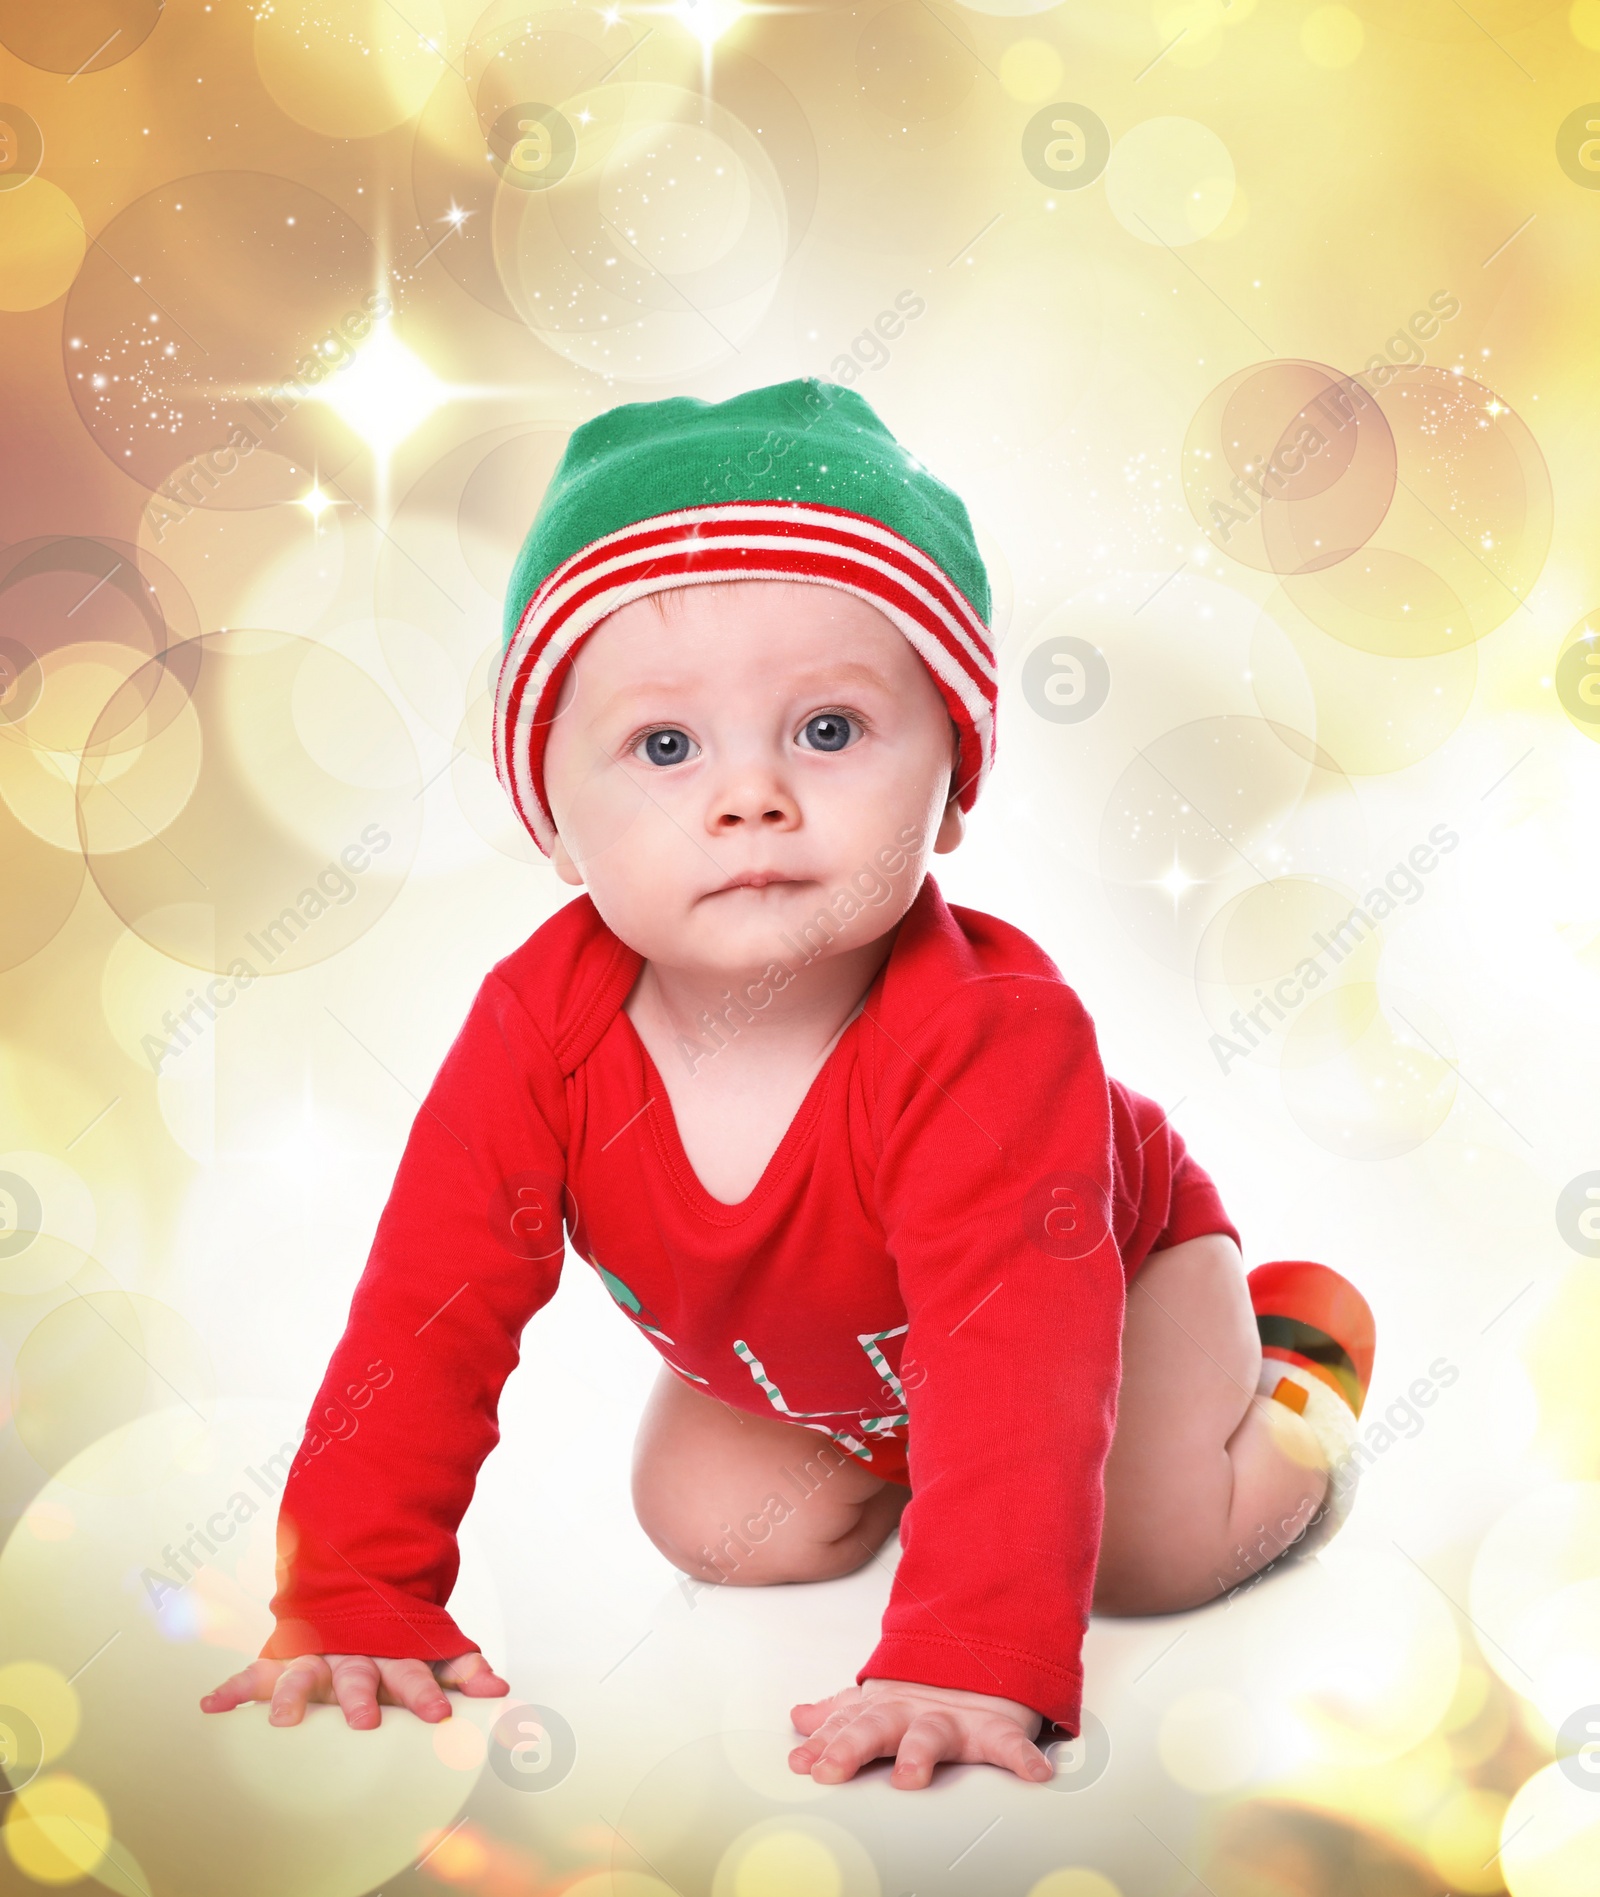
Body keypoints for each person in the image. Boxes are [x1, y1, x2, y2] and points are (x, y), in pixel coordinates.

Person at [201, 379, 1376, 1791]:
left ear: (952, 790)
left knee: (1154, 1551)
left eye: (828, 731)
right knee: (706, 1518)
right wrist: (352, 1583)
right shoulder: (538, 1029)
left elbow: (1014, 1364)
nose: (748, 795)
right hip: (831, 1374)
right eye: (665, 745)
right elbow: (426, 1308)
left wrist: (962, 1646)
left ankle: (1295, 1362)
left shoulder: (992, 1035)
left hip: (1102, 1300)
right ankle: (916, 1470)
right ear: (554, 817)